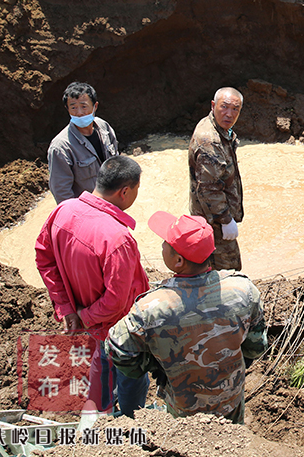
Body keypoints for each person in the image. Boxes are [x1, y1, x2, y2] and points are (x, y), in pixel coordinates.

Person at [106, 211, 268, 423]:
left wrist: (156, 365)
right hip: (230, 402)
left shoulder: (150, 308)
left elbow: (117, 351)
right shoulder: (243, 290)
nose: (162, 245)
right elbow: (257, 346)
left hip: (183, 410)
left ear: (178, 260)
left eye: (165, 242)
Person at [35, 155, 150, 416]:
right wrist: (85, 318)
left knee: (100, 366)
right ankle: (132, 421)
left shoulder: (63, 211)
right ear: (125, 192)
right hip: (120, 329)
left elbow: (44, 258)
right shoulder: (117, 239)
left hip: (91, 327)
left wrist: (68, 310)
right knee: (131, 377)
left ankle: (98, 416)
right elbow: (116, 301)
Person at [189, 87, 245, 270]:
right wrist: (226, 220)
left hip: (215, 219)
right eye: (224, 107)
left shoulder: (221, 130)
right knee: (228, 272)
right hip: (213, 222)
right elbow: (209, 188)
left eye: (235, 109)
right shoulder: (209, 140)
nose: (229, 114)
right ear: (213, 106)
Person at [47, 82, 118, 204]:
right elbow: (61, 192)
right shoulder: (61, 147)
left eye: (84, 106)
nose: (79, 112)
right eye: (73, 107)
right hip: (88, 211)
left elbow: (117, 163)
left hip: (112, 203)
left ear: (95, 106)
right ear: (67, 109)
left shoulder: (104, 127)